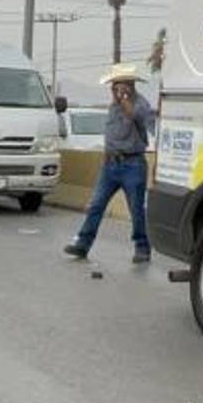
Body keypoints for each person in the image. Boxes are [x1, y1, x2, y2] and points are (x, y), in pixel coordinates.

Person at [63, 63, 156, 264]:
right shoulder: (113, 107)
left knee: (136, 209)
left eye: (119, 85)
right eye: (114, 86)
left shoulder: (140, 103)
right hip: (111, 165)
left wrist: (124, 99)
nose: (114, 89)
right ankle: (83, 245)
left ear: (130, 85)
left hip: (133, 165)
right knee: (96, 205)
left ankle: (142, 247)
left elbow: (138, 117)